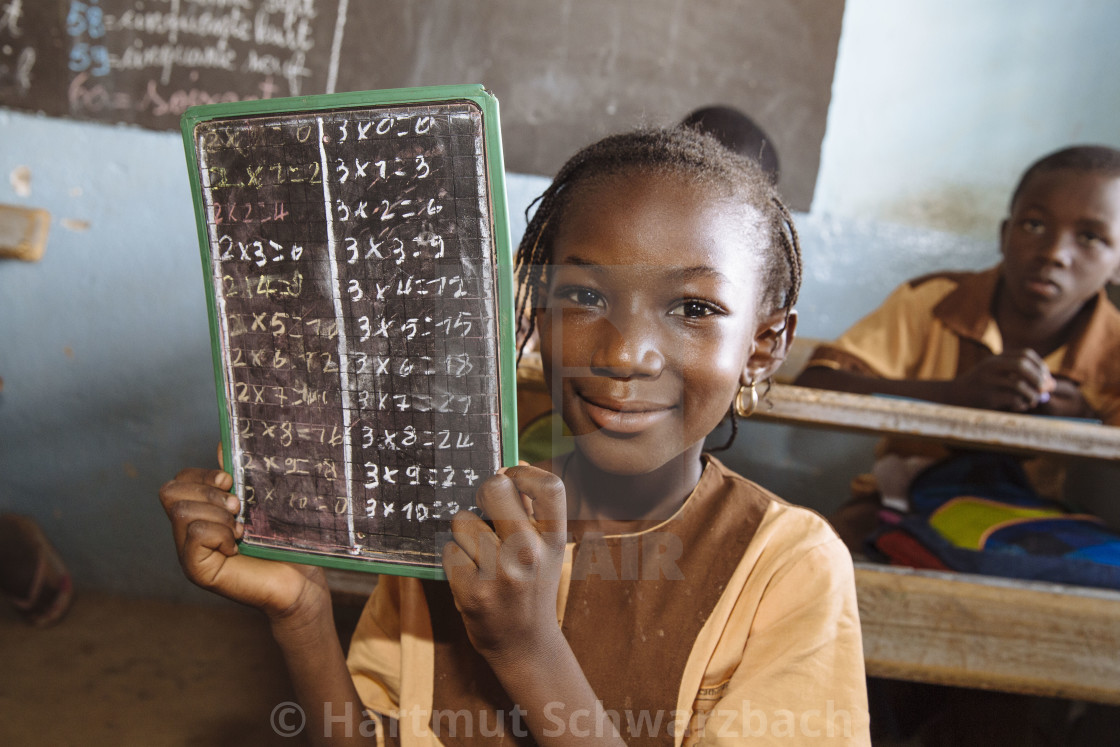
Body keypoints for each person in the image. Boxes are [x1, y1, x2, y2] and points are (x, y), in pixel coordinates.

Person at [160, 127, 870, 745]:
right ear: (535, 316)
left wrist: (528, 648)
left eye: (692, 306)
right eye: (583, 295)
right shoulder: (459, 517)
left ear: (764, 344)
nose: (624, 354)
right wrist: (303, 613)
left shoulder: (786, 568)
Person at [795, 145, 1120, 554]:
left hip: (1043, 527)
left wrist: (1087, 426)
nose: (1054, 253)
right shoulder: (932, 302)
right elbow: (816, 384)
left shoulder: (1114, 351)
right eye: (1034, 225)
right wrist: (951, 396)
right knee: (820, 558)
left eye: (1090, 237)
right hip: (898, 508)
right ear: (1005, 234)